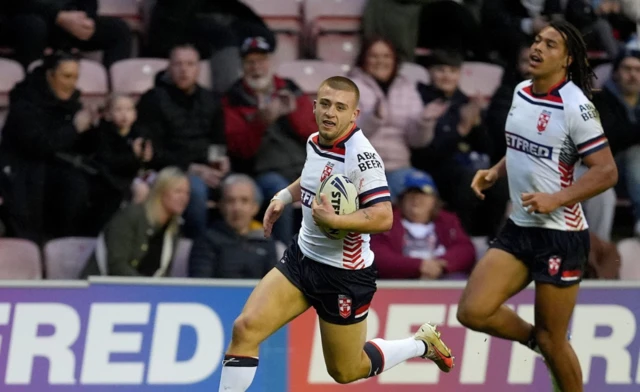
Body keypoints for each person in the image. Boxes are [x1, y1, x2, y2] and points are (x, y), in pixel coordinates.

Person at [217, 77, 454, 392]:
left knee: (346, 370)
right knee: (245, 329)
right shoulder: (316, 139)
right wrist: (283, 197)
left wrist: (336, 221)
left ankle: (420, 344)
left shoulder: (362, 157)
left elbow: (384, 217)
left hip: (344, 276)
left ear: (354, 115)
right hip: (302, 260)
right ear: (314, 107)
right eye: (325, 104)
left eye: (341, 107)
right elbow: (315, 176)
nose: (331, 112)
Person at [457, 21, 618, 392]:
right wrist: (496, 171)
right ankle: (537, 342)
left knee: (554, 338)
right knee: (473, 311)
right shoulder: (521, 91)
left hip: (560, 236)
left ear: (567, 59)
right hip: (521, 227)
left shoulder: (576, 106)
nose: (538, 48)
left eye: (550, 44)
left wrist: (556, 198)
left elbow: (606, 172)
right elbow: (522, 147)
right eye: (536, 40)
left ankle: (548, 346)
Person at [80, 167, 190, 278]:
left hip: (143, 292)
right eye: (178, 191)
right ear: (160, 191)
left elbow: (164, 273)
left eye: (187, 193)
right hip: (103, 289)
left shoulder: (172, 231)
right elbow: (117, 266)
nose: (184, 198)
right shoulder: (130, 216)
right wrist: (145, 288)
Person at [188, 174, 278, 279]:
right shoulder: (206, 241)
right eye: (230, 201)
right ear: (221, 206)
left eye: (244, 201)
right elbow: (200, 287)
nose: (237, 208)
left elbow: (273, 286)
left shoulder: (265, 241)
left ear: (255, 207)